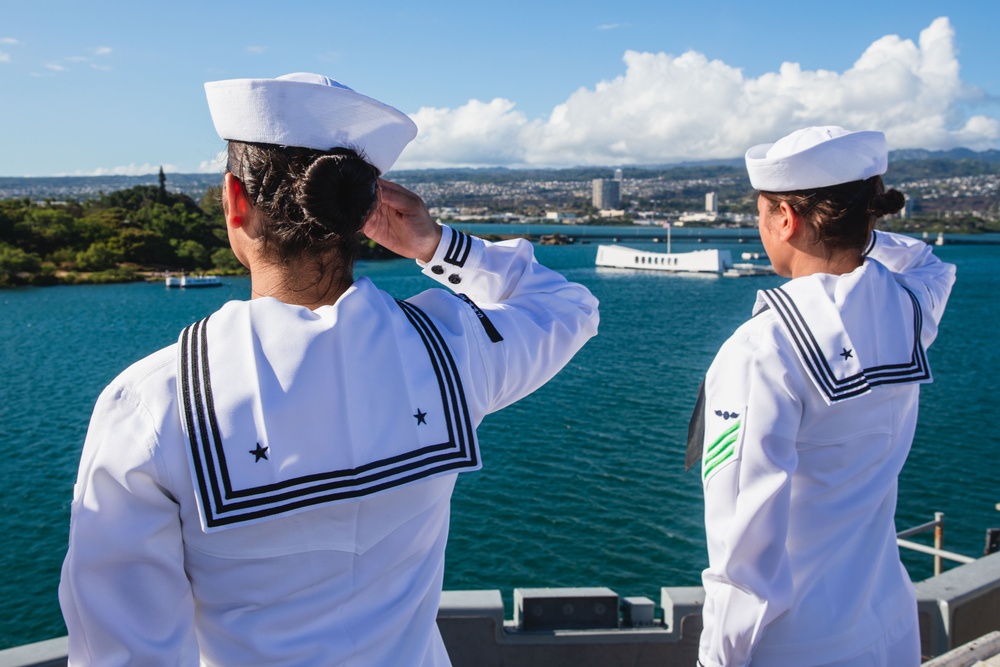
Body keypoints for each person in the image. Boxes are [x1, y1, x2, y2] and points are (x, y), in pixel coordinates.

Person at [58, 72, 599, 666]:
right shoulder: (452, 349)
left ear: (235, 203)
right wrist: (436, 244)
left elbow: (125, 655)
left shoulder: (154, 408)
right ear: (364, 209)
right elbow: (567, 306)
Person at [688, 126, 955, 667]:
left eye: (762, 212)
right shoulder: (907, 308)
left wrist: (716, 660)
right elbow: (929, 262)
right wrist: (858, 235)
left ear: (785, 219)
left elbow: (743, 553)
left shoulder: (762, 349)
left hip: (796, 647)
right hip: (889, 626)